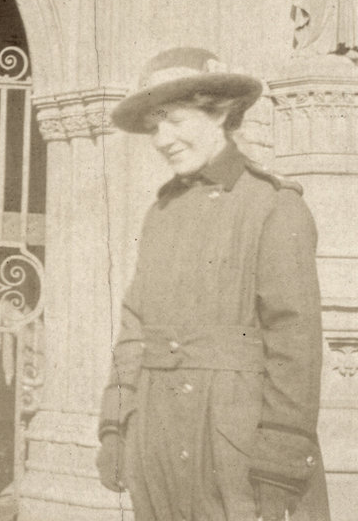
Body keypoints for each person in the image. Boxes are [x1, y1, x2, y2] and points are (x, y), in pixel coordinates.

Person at [96, 48, 330, 520]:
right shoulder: (160, 214)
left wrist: (280, 461)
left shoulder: (272, 207)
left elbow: (295, 345)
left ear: (219, 113)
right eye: (154, 125)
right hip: (158, 441)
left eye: (176, 120)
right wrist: (116, 427)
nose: (162, 138)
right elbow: (134, 331)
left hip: (238, 449)